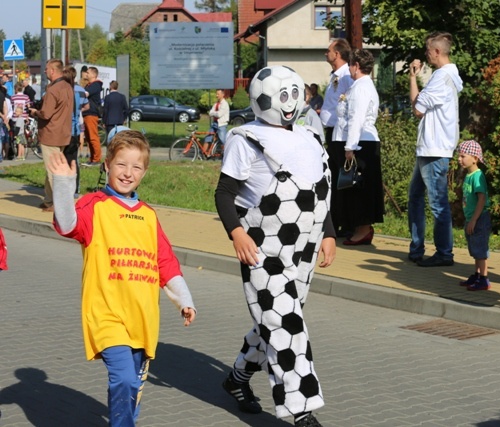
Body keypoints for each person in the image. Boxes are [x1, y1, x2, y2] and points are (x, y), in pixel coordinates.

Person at [48, 129, 197, 426]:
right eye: (121, 164)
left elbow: (165, 263)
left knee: (130, 391)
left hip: (142, 318)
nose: (128, 173)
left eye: (136, 167)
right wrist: (64, 185)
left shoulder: (149, 216)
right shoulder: (94, 206)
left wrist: (184, 300)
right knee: (125, 380)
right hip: (106, 315)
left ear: (145, 171)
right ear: (106, 165)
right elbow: (66, 225)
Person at [214, 65, 336, 427]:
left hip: (305, 249)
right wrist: (236, 232)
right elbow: (224, 193)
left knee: (275, 321)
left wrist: (329, 232)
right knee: (287, 327)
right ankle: (302, 413)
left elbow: (321, 192)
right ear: (260, 98)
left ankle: (236, 379)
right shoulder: (245, 138)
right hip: (262, 249)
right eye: (281, 96)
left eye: (294, 95)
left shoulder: (310, 137)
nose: (288, 104)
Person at [407, 31, 463, 267]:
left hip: (434, 148)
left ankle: (444, 253)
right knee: (415, 197)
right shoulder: (450, 75)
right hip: (431, 147)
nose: (426, 54)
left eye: (428, 50)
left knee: (437, 203)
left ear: (437, 52)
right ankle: (417, 247)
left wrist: (412, 78)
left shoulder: (441, 77)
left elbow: (418, 109)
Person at [332, 49, 384, 245]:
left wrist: (350, 147)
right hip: (360, 142)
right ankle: (357, 226)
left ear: (356, 66)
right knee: (353, 188)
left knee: (360, 188)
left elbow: (357, 119)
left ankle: (363, 229)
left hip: (361, 143)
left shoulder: (361, 88)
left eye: (351, 65)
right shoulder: (359, 85)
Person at [28, 59, 74, 212]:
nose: (44, 71)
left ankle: (58, 204)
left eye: (46, 69)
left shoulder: (53, 89)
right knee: (53, 168)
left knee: (53, 171)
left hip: (51, 134)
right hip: (63, 132)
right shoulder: (67, 86)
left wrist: (35, 112)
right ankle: (48, 200)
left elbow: (46, 114)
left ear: (53, 71)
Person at [320, 38, 354, 236]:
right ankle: (337, 220)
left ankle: (344, 222)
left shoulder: (346, 77)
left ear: (338, 54)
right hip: (332, 132)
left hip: (341, 133)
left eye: (329, 51)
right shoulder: (336, 75)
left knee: (342, 178)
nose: (326, 54)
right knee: (332, 176)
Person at [457, 140, 492, 291]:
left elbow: (481, 199)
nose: (459, 159)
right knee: (474, 248)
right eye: (459, 156)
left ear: (475, 158)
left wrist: (474, 220)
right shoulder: (469, 175)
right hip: (471, 218)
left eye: (463, 156)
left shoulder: (477, 176)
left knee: (480, 250)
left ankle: (484, 278)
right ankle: (477, 275)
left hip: (479, 218)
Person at [63, 66, 86, 196]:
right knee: (73, 160)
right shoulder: (78, 93)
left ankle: (67, 189)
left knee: (64, 160)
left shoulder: (65, 93)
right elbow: (83, 108)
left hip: (66, 131)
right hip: (76, 130)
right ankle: (75, 188)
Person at [83, 66, 103, 166]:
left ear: (94, 75)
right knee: (88, 137)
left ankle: (97, 159)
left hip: (91, 113)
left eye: (88, 72)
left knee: (93, 137)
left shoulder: (95, 85)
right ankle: (92, 158)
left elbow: (85, 94)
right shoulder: (89, 85)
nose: (86, 74)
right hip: (86, 113)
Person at [203, 89, 230, 156]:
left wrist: (213, 113)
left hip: (221, 124)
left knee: (223, 140)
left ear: (222, 95)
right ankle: (203, 154)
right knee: (207, 137)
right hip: (214, 123)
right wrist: (213, 113)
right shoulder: (216, 104)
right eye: (216, 94)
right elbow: (210, 113)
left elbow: (219, 114)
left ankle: (227, 154)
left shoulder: (224, 104)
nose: (216, 95)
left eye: (218, 94)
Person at [10, 81, 31, 161]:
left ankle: (18, 154)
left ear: (16, 89)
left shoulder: (13, 97)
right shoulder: (26, 97)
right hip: (24, 117)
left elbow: (12, 106)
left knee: (16, 136)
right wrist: (27, 116)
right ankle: (22, 153)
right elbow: (28, 107)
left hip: (15, 118)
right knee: (22, 134)